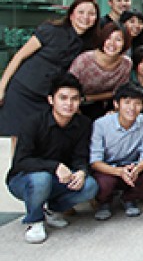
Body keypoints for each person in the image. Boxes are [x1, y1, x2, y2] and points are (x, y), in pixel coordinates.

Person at [6, 74, 98, 244]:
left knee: (90, 186)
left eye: (74, 99)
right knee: (42, 178)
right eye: (63, 98)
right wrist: (54, 166)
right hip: (24, 180)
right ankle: (34, 220)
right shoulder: (33, 123)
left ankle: (53, 210)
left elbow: (81, 156)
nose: (69, 104)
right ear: (51, 100)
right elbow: (21, 162)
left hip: (59, 179)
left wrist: (81, 171)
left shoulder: (83, 124)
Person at [0, 0, 99, 143]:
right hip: (23, 90)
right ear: (71, 15)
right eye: (81, 12)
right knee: (20, 137)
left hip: (49, 97)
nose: (86, 17)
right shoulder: (51, 30)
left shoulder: (91, 44)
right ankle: (18, 166)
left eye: (91, 14)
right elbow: (18, 57)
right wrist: (2, 88)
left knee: (44, 138)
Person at [90, 83, 143, 220]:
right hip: (108, 169)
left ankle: (128, 199)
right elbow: (95, 161)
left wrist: (137, 168)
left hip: (132, 166)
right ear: (116, 104)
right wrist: (119, 171)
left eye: (137, 103)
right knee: (104, 184)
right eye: (127, 102)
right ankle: (104, 202)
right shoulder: (101, 124)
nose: (132, 108)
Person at [69, 22, 133, 121]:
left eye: (118, 40)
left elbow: (118, 92)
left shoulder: (126, 64)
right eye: (108, 38)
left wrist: (88, 98)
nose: (112, 43)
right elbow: (67, 85)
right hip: (73, 101)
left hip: (102, 104)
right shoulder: (85, 60)